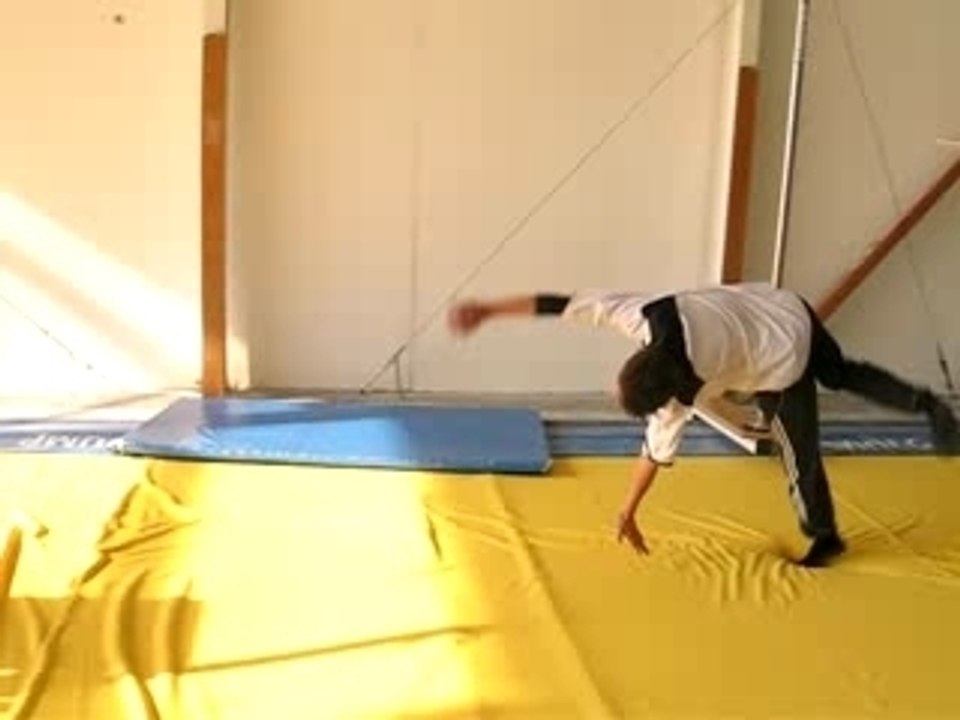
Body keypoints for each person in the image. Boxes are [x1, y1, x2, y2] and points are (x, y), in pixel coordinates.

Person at [448, 282, 959, 567]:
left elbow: (652, 457)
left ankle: (825, 536)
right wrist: (489, 309)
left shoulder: (678, 401)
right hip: (786, 307)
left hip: (782, 356)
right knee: (842, 372)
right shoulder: (647, 316)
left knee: (796, 450)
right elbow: (559, 304)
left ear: (658, 399)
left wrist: (628, 511)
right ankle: (925, 403)